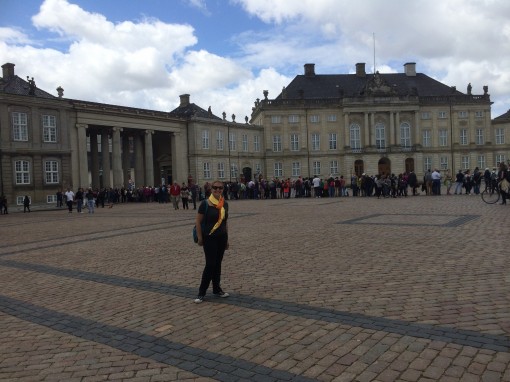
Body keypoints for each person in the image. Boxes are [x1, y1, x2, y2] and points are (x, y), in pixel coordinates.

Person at [194, 180, 230, 303]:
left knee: (218, 264)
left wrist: (227, 239)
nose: (217, 190)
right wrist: (200, 238)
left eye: (220, 188)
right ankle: (201, 292)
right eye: (215, 188)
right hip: (209, 238)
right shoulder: (205, 204)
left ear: (223, 190)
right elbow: (198, 222)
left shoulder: (224, 204)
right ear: (211, 189)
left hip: (221, 237)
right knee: (210, 264)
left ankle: (216, 288)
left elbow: (225, 222)